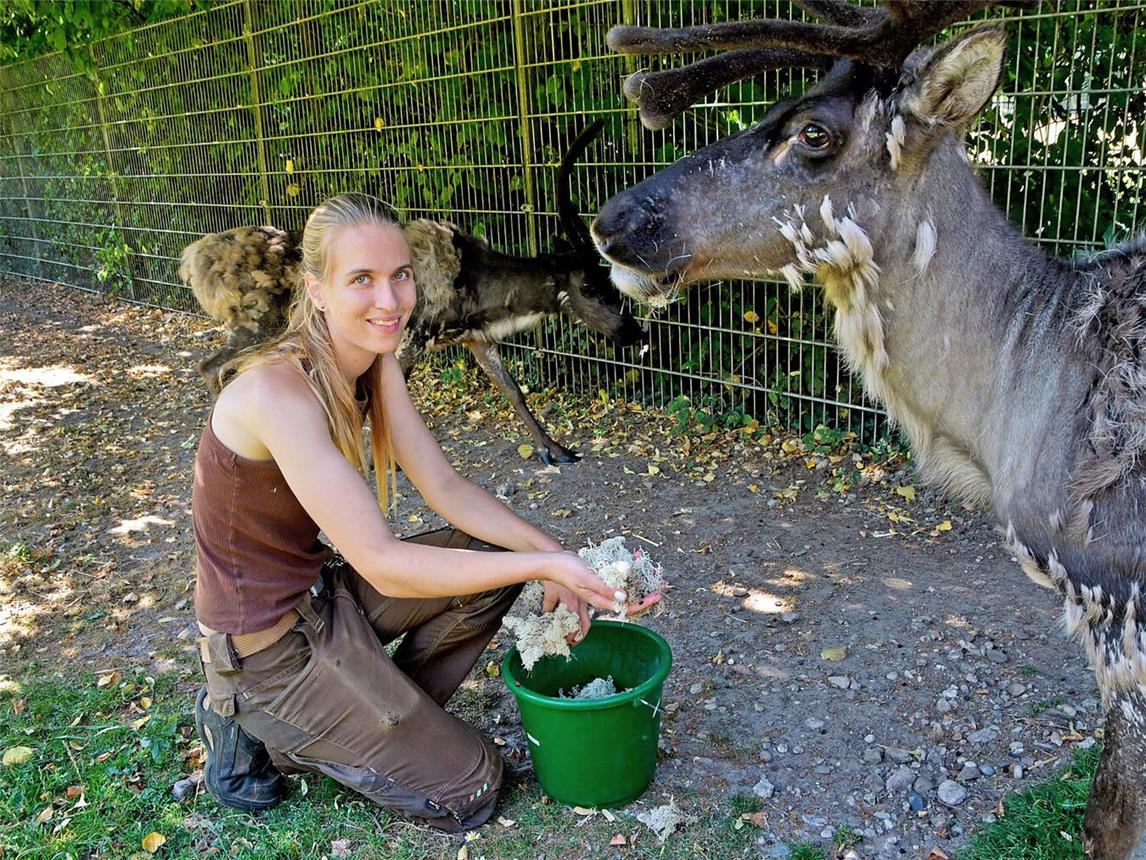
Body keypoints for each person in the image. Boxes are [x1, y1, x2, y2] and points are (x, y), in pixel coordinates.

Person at [191, 192, 654, 830]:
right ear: (316, 289)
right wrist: (552, 563)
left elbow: (446, 486)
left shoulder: (373, 362)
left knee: (499, 554)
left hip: (326, 598)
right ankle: (252, 724)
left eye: (399, 275)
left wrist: (550, 560)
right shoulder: (277, 391)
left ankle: (372, 714)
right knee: (475, 788)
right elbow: (384, 564)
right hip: (268, 651)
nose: (390, 301)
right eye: (362, 280)